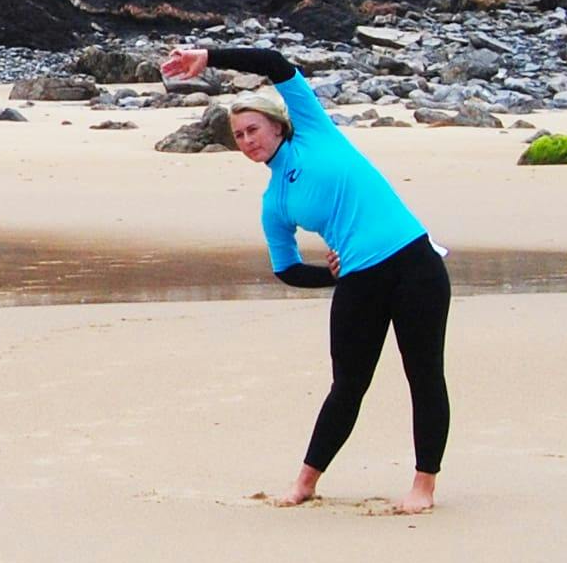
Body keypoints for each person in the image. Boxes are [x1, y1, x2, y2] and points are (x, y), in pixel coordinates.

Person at [155, 39, 448, 512]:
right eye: (240, 136)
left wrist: (208, 57)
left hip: (415, 264)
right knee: (348, 386)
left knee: (425, 376)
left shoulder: (315, 130)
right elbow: (286, 269)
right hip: (358, 280)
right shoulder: (275, 202)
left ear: (277, 125)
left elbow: (273, 63)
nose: (248, 142)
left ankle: (423, 487)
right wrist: (333, 279)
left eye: (254, 130)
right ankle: (305, 482)